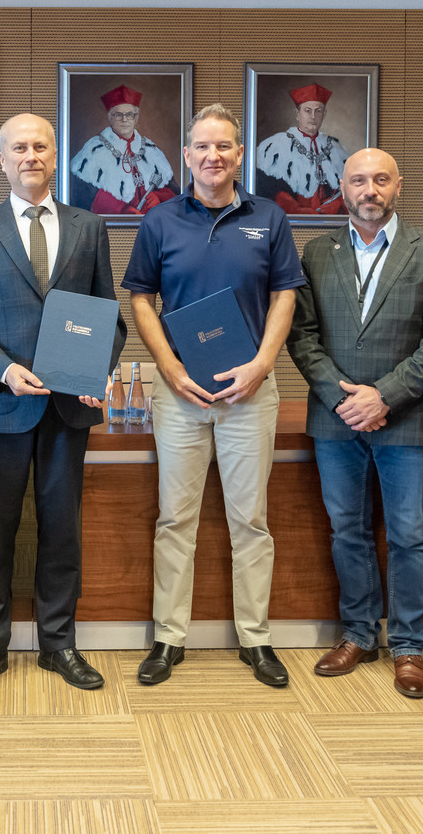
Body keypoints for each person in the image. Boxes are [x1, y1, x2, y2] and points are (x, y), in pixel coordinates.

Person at [0, 113, 127, 697]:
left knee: (62, 530)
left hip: (70, 407)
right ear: (2, 160)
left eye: (40, 146)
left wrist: (96, 369)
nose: (30, 156)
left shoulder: (89, 227)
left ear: (54, 155)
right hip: (1, 404)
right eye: (18, 147)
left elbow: (109, 316)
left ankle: (58, 645)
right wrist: (4, 370)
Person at [123, 104, 307, 688]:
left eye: (223, 146)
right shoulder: (159, 220)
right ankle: (168, 638)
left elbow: (285, 295)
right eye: (202, 146)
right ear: (187, 154)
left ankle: (255, 638)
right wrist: (169, 367)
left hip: (249, 392)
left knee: (250, 520)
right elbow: (141, 299)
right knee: (175, 518)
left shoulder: (269, 218)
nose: (213, 156)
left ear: (239, 153)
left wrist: (262, 364)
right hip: (180, 393)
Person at [287, 148, 423, 699]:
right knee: (348, 530)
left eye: (381, 180)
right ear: (342, 187)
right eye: (359, 180)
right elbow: (301, 335)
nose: (370, 190)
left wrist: (383, 396)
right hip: (336, 417)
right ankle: (359, 634)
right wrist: (342, 397)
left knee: (409, 534)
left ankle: (408, 645)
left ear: (399, 186)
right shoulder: (316, 253)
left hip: (406, 417)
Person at [68, 85, 177, 215]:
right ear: (110, 117)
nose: (124, 119)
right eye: (118, 114)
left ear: (136, 118)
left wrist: (158, 197)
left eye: (129, 115)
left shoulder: (151, 150)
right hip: (112, 224)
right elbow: (80, 196)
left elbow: (174, 192)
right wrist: (120, 209)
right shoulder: (94, 149)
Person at [254, 83, 347, 215]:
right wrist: (293, 207)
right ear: (298, 114)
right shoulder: (275, 145)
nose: (313, 116)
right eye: (308, 111)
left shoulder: (335, 146)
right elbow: (264, 189)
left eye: (318, 111)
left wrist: (337, 203)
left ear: (324, 114)